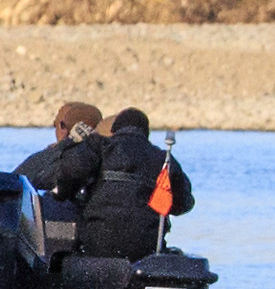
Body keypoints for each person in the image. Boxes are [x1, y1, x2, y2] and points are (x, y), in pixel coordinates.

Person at [58, 107, 193, 260]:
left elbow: (70, 172)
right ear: (146, 135)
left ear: (114, 131)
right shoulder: (163, 158)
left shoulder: (99, 146)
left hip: (97, 243)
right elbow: (185, 204)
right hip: (146, 248)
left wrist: (64, 193)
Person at [16, 101, 101, 193]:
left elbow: (14, 181)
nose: (54, 126)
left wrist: (61, 146)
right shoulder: (108, 157)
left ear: (64, 128)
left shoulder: (52, 160)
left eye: (56, 124)